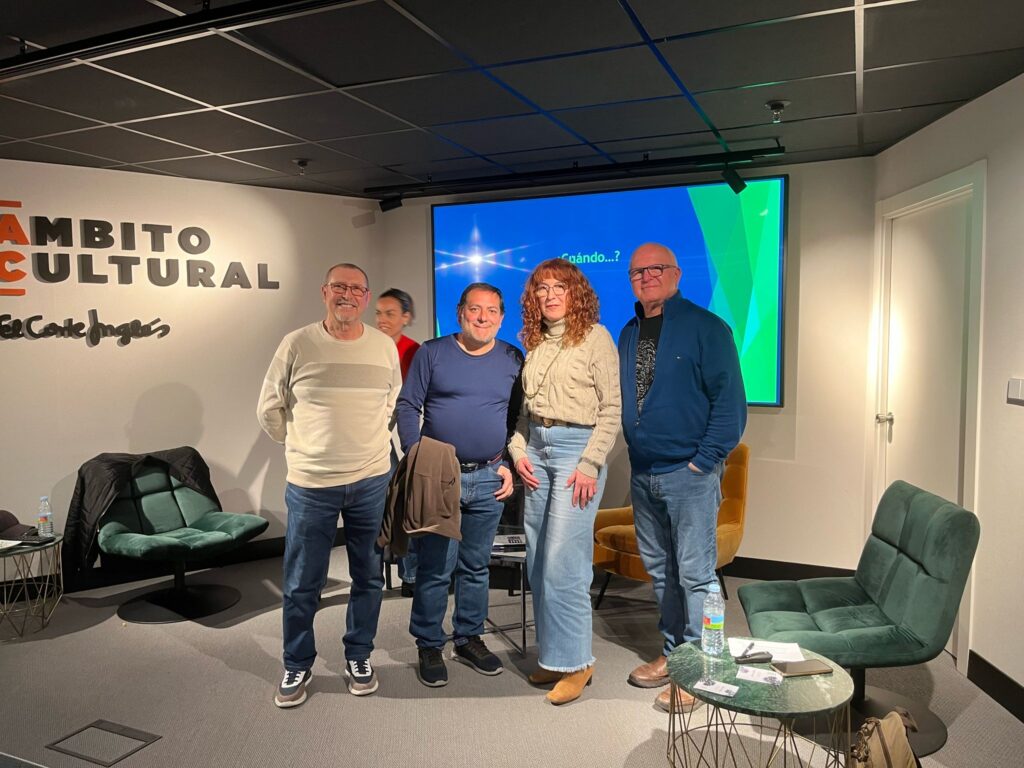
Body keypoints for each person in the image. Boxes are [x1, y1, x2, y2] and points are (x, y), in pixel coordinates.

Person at [258, 263, 401, 708]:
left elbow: (391, 401)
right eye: (339, 286)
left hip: (371, 480)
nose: (348, 295)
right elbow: (269, 407)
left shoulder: (383, 346)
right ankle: (297, 662)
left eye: (357, 289)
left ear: (366, 297)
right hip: (311, 484)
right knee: (303, 581)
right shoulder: (297, 343)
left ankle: (359, 655)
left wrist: (368, 444)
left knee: (368, 576)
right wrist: (303, 445)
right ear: (324, 292)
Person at [618, 243, 746, 712]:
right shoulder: (629, 331)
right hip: (644, 474)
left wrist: (702, 461)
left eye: (657, 269)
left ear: (676, 273)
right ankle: (676, 655)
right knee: (661, 573)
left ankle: (705, 667)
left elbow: (730, 406)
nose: (647, 276)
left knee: (696, 576)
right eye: (638, 271)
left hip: (689, 475)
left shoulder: (707, 328)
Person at [396, 282, 523, 688]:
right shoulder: (432, 353)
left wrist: (508, 462)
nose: (483, 318)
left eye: (491, 311)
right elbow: (407, 405)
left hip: (489, 477)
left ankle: (469, 638)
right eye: (475, 309)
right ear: (460, 313)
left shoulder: (512, 358)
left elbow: (515, 417)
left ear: (501, 318)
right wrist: (417, 457)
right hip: (439, 477)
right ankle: (429, 644)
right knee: (436, 568)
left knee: (476, 566)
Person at [508, 259, 621, 705]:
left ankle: (578, 663)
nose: (551, 295)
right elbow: (524, 413)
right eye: (542, 288)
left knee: (564, 564)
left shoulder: (596, 337)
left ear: (576, 293)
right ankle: (554, 657)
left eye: (560, 286)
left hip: (577, 453)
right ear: (533, 298)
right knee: (538, 562)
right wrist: (519, 451)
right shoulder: (535, 343)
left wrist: (591, 463)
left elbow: (611, 410)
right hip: (536, 450)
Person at [375, 287, 421, 597]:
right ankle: (371, 577)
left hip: (401, 440)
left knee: (407, 503)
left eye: (389, 313)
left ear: (406, 317)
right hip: (371, 440)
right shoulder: (365, 346)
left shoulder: (414, 352)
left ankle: (411, 575)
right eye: (378, 313)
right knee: (374, 509)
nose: (382, 319)